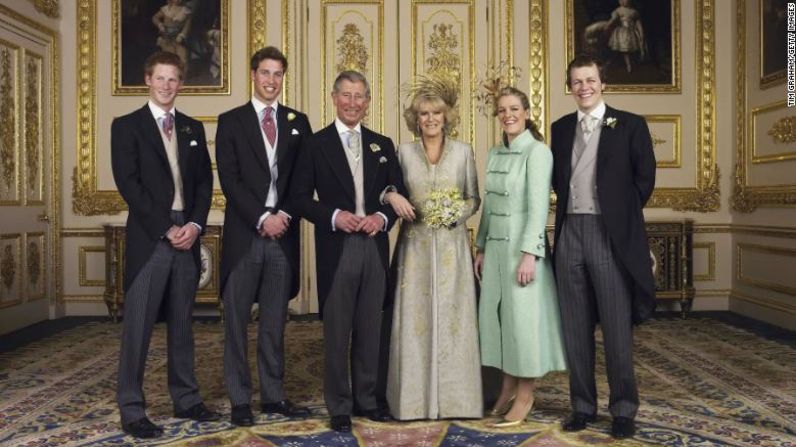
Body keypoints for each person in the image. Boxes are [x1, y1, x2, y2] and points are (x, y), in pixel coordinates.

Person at [292, 70, 406, 433]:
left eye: (360, 96)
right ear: (334, 98)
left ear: (368, 101)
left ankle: (367, 400)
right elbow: (298, 199)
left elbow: (397, 193)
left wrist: (381, 218)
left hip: (373, 246)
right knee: (338, 330)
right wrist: (335, 216)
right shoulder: (315, 144)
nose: (353, 103)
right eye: (346, 95)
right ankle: (339, 405)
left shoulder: (382, 144)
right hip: (337, 247)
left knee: (370, 328)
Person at [111, 51, 218, 439]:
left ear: (181, 84)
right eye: (160, 79)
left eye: (173, 80)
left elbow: (204, 182)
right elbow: (129, 184)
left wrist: (193, 224)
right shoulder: (126, 127)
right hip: (150, 236)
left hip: (186, 233)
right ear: (147, 80)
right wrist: (164, 228)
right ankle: (132, 408)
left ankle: (186, 398)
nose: (167, 86)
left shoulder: (191, 127)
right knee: (138, 327)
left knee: (183, 325)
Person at [551, 54, 656, 440]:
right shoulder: (560, 128)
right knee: (575, 328)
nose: (584, 87)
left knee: (615, 328)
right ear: (571, 87)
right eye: (577, 81)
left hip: (608, 234)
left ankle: (623, 409)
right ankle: (582, 406)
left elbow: (644, 179)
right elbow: (560, 183)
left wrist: (618, 214)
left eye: (590, 80)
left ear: (603, 83)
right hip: (569, 234)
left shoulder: (629, 124)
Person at [215, 46, 312, 427]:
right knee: (236, 322)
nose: (271, 80)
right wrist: (261, 217)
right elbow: (230, 179)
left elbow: (302, 178)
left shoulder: (297, 121)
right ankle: (240, 399)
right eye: (265, 73)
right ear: (253, 74)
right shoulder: (231, 121)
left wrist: (283, 214)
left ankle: (273, 396)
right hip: (246, 235)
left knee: (274, 323)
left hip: (283, 236)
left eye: (278, 74)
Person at [382, 78, 482, 420]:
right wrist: (390, 196)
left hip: (453, 250)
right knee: (415, 322)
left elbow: (474, 197)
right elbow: (389, 188)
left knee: (455, 320)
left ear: (446, 115)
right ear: (416, 118)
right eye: (423, 113)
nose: (430, 119)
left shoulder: (464, 151)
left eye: (436, 112)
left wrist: (459, 212)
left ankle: (458, 402)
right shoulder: (404, 153)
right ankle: (412, 402)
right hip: (416, 250)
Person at [473, 87, 567, 428]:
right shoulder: (496, 152)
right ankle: (508, 385)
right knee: (500, 322)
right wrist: (481, 247)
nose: (508, 114)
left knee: (524, 325)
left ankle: (526, 394)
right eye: (502, 110)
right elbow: (490, 204)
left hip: (523, 251)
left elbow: (539, 207)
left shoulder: (538, 152)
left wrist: (530, 254)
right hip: (496, 250)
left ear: (527, 112)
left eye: (514, 108)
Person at [152, 0, 192, 74]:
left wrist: (182, 35)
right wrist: (160, 25)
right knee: (169, 56)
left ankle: (182, 76)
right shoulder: (165, 9)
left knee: (183, 56)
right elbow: (155, 18)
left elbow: (187, 25)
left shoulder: (185, 10)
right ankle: (170, 74)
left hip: (178, 37)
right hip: (166, 37)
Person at [607, 0, 646, 73]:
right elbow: (613, 20)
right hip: (621, 33)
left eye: (625, 0)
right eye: (621, 0)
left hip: (631, 32)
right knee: (625, 50)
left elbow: (638, 23)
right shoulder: (618, 10)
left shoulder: (634, 12)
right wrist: (608, 25)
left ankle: (634, 63)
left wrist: (641, 33)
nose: (623, 2)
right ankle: (628, 65)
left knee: (632, 49)